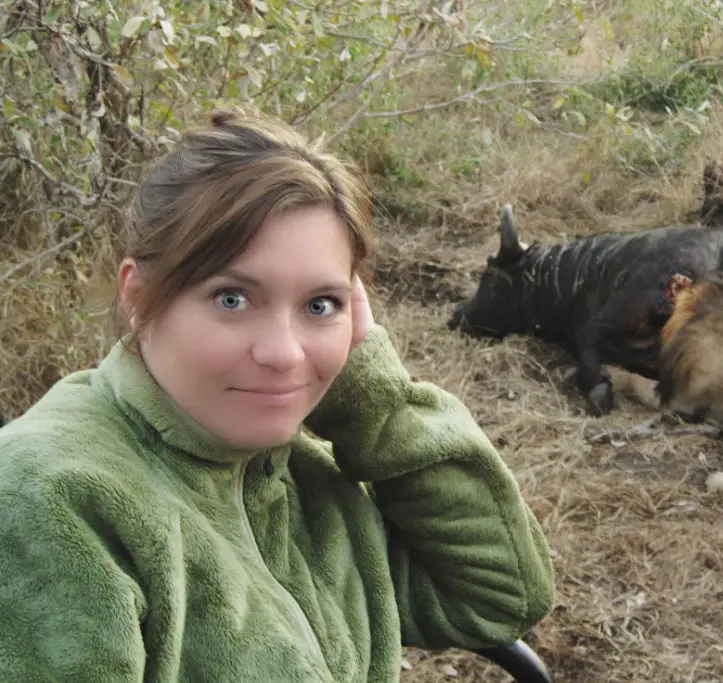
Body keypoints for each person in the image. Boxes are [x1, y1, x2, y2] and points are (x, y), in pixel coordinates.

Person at [0, 109, 556, 682]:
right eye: (233, 299)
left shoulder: (299, 482)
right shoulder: (47, 498)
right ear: (139, 297)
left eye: (320, 304)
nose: (285, 353)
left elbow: (498, 599)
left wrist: (369, 394)